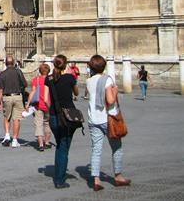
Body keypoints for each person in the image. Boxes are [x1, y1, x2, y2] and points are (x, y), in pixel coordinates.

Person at [86, 54, 131, 191]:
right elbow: (110, 101)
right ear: (104, 66)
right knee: (116, 148)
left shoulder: (89, 81)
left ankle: (96, 179)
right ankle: (118, 176)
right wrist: (115, 91)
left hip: (93, 119)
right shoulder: (107, 80)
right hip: (108, 119)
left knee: (96, 150)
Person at [47, 54, 79, 189]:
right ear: (65, 65)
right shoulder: (70, 78)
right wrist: (72, 76)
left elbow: (47, 97)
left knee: (60, 144)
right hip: (67, 117)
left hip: (54, 116)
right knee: (64, 147)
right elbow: (76, 93)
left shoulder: (48, 80)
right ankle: (59, 179)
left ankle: (58, 173)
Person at [0, 56, 26, 147]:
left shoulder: (2, 74)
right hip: (17, 96)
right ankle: (15, 140)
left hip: (7, 97)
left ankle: (7, 135)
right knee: (16, 119)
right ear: (13, 63)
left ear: (5, 63)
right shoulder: (18, 72)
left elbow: (0, 90)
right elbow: (25, 84)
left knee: (7, 117)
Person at [25, 63, 52, 151]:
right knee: (47, 124)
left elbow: (32, 92)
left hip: (38, 105)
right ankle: (47, 142)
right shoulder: (51, 80)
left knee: (38, 125)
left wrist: (28, 103)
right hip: (48, 105)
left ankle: (40, 144)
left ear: (40, 71)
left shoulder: (36, 80)